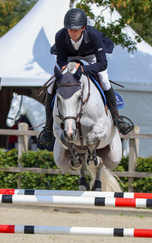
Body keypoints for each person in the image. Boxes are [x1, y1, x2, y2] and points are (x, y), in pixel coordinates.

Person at [37, 8, 134, 148]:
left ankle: (117, 118)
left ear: (83, 28)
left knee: (104, 79)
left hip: (92, 57)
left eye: (76, 29)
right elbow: (61, 59)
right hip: (69, 58)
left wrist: (82, 69)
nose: (72, 32)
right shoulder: (60, 35)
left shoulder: (93, 35)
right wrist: (66, 67)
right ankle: (47, 127)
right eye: (70, 29)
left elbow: (102, 64)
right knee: (52, 85)